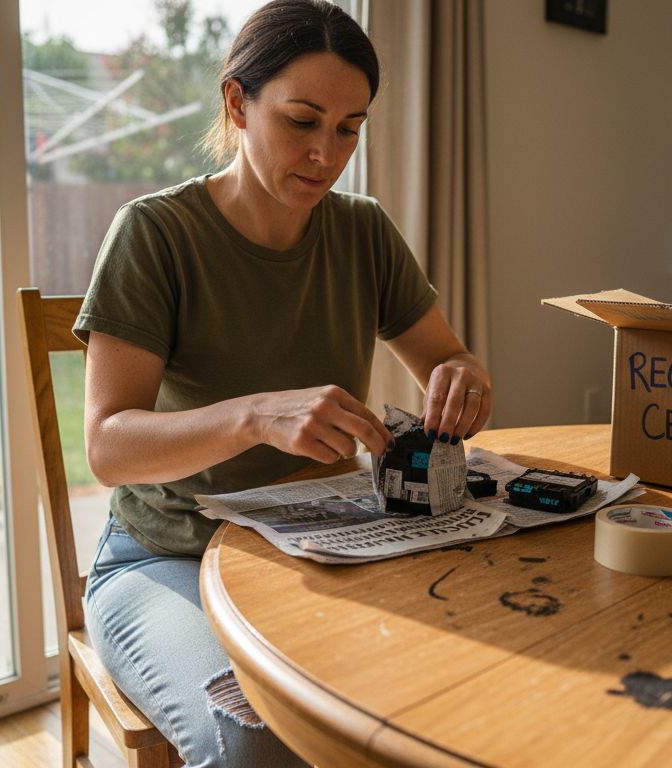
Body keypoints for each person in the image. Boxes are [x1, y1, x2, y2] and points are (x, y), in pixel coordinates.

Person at [71, 1, 492, 765]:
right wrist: (255, 416)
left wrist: (462, 379)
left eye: (349, 128)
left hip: (322, 547)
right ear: (238, 103)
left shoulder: (362, 230)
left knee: (461, 686)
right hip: (166, 557)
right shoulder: (155, 234)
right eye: (302, 121)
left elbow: (448, 359)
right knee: (258, 744)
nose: (326, 155)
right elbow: (108, 447)